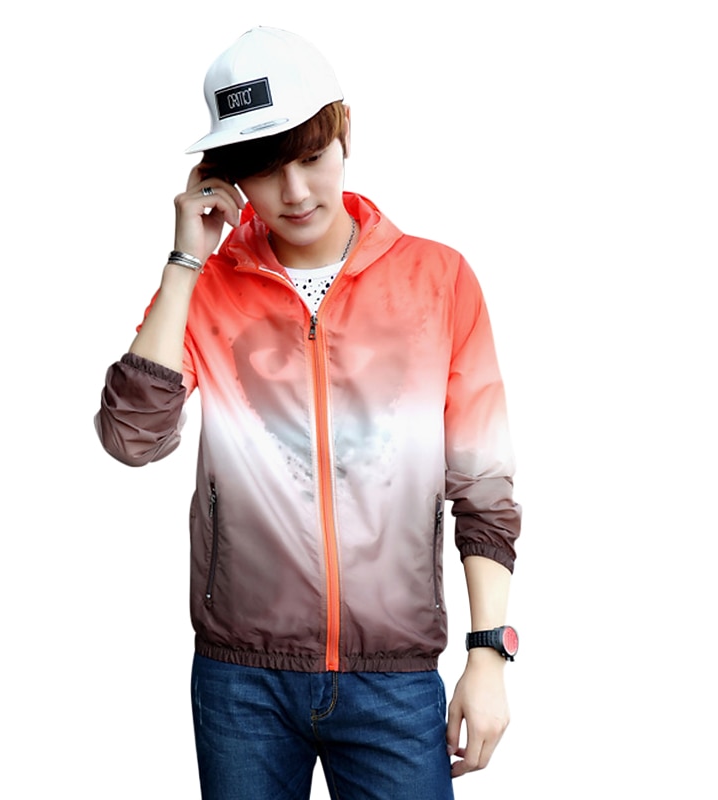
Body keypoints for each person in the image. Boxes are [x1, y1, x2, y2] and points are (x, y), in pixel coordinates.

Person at [96, 25, 521, 800]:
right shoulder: (208, 290)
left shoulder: (438, 279)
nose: (294, 193)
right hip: (242, 681)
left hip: (394, 677)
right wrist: (186, 263)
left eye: (311, 157)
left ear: (345, 130)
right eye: (264, 169)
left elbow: (483, 483)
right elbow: (132, 436)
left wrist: (487, 653)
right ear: (225, 176)